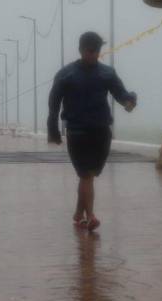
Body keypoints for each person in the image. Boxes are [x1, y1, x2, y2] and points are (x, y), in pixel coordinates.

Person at [47, 31, 137, 231]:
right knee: (86, 174)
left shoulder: (107, 73)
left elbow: (120, 94)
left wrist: (129, 102)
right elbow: (54, 103)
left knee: (89, 175)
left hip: (101, 130)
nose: (93, 54)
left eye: (96, 51)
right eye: (89, 51)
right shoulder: (66, 74)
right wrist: (52, 129)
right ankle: (91, 216)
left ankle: (79, 214)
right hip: (77, 131)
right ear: (81, 50)